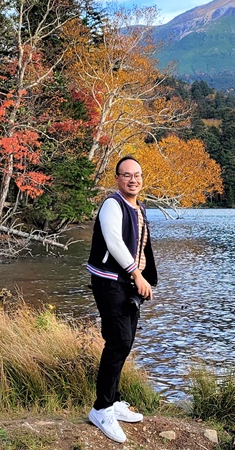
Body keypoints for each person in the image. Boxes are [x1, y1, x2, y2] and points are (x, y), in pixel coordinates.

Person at [85, 156, 157, 444]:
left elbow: (140, 245)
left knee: (125, 342)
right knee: (118, 341)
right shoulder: (112, 205)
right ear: (117, 179)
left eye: (137, 175)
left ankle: (113, 401)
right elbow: (114, 242)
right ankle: (101, 409)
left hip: (128, 284)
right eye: (127, 175)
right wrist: (136, 274)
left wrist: (144, 277)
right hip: (110, 282)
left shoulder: (138, 208)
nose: (133, 180)